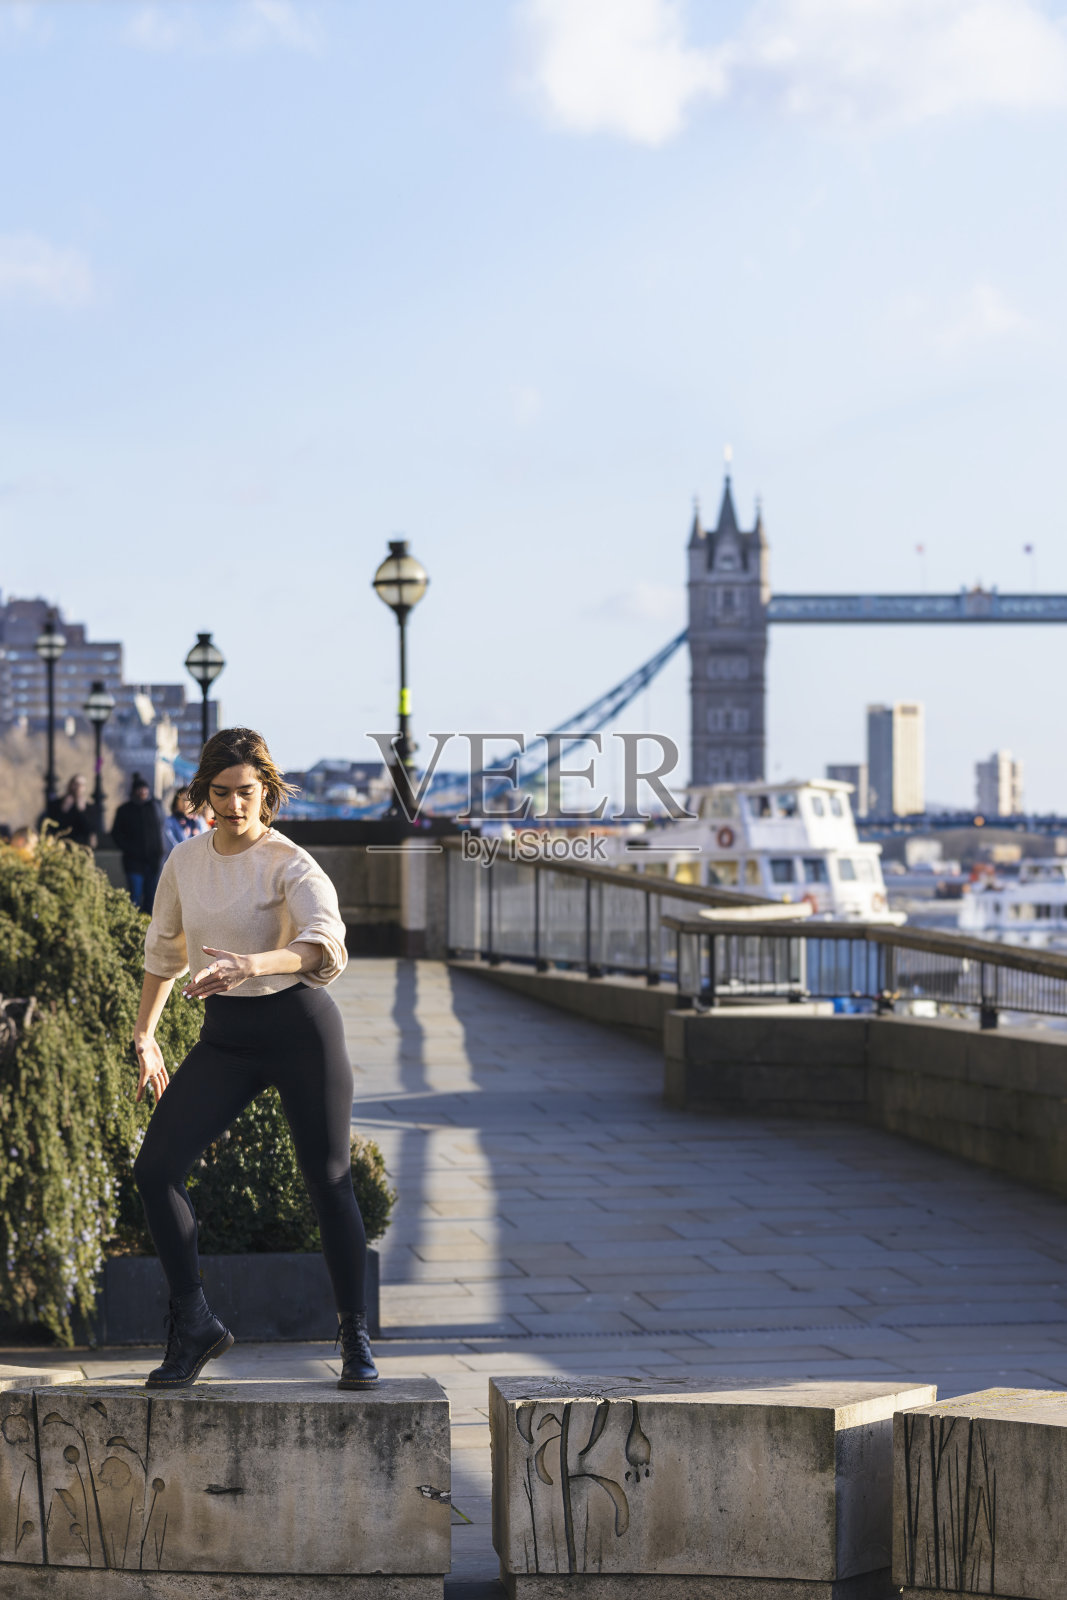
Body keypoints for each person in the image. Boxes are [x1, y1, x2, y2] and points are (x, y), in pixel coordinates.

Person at [130, 726, 376, 1391]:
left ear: (267, 791)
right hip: (226, 1040)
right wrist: (146, 1032)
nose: (234, 805)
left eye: (246, 792)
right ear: (203, 793)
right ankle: (194, 1324)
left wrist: (252, 964)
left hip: (300, 1029)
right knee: (155, 1171)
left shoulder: (290, 863)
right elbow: (164, 950)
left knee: (328, 1181)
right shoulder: (185, 861)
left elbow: (324, 943)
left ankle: (354, 1337)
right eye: (221, 793)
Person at [111, 773, 165, 912]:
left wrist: (159, 852)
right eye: (140, 790)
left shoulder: (154, 807)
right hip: (133, 862)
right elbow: (116, 834)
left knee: (151, 898)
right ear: (134, 791)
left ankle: (147, 929)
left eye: (145, 790)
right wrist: (129, 849)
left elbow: (161, 830)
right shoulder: (124, 810)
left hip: (152, 861)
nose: (143, 792)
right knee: (134, 896)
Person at [45, 775, 97, 848]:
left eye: (81, 785)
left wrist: (82, 811)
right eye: (75, 784)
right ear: (70, 785)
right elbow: (52, 826)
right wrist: (63, 810)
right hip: (60, 845)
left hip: (81, 846)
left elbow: (91, 829)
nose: (77, 787)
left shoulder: (89, 808)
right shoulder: (56, 804)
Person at [162, 786, 210, 858]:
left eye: (189, 800)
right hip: (176, 864)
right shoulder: (170, 822)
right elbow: (170, 846)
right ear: (176, 801)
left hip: (198, 865)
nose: (186, 803)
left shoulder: (200, 822)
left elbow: (206, 844)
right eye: (183, 800)